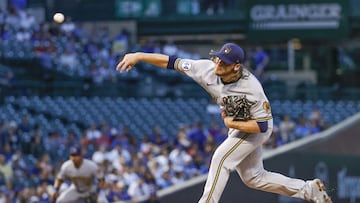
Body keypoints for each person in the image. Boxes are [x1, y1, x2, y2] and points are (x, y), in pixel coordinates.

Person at [116, 42, 332, 203]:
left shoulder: (251, 88)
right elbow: (171, 62)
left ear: (236, 67)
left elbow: (261, 127)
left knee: (221, 158)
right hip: (239, 123)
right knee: (254, 178)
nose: (218, 62)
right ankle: (308, 190)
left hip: (254, 127)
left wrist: (231, 123)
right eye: (218, 58)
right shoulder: (207, 68)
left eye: (224, 62)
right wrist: (139, 56)